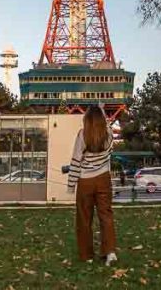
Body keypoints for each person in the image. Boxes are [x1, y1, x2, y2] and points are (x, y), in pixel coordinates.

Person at [67, 106, 117, 266]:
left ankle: (86, 255)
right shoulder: (108, 134)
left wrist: (71, 185)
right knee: (106, 216)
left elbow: (75, 160)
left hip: (85, 180)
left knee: (84, 218)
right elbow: (107, 124)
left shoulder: (83, 135)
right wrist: (102, 110)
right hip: (103, 178)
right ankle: (109, 252)